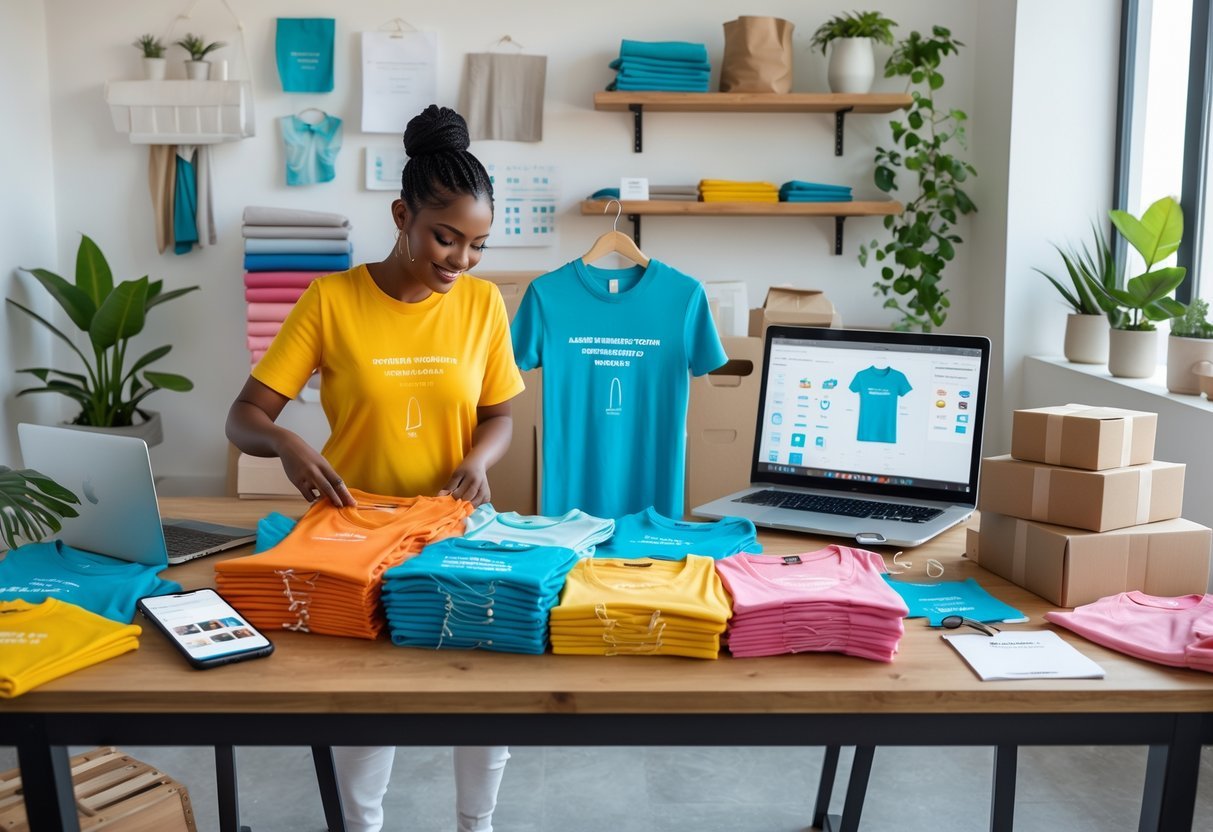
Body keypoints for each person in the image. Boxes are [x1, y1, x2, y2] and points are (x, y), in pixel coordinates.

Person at [225, 105, 521, 832]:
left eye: (477, 244)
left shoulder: (483, 305)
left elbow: (500, 416)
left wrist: (479, 460)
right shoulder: (331, 301)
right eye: (444, 238)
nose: (459, 260)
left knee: (483, 683)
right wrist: (290, 444)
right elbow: (244, 417)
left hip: (457, 528)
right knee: (366, 697)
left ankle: (475, 825)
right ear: (401, 215)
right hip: (355, 528)